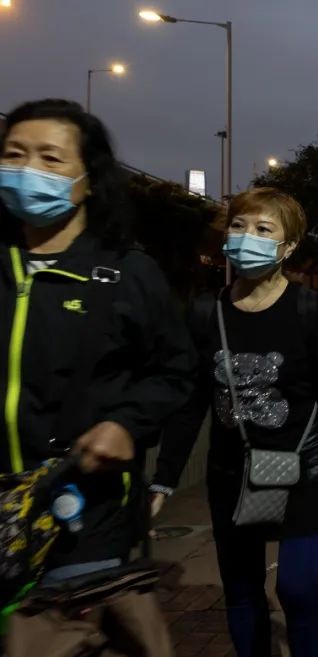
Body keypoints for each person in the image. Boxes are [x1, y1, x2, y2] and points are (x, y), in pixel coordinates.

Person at [151, 188, 318, 657]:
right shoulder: (208, 314)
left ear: (289, 245)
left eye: (264, 230)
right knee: (242, 586)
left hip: (307, 464)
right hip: (233, 467)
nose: (246, 238)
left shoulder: (308, 308)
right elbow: (190, 403)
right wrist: (162, 481)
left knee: (298, 585)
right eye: (239, 226)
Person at [0, 99, 195, 585]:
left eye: (50, 158)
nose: (29, 171)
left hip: (84, 517)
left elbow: (175, 370)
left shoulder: (127, 274)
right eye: (14, 155)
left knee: (56, 656)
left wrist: (126, 425)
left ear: (89, 178)